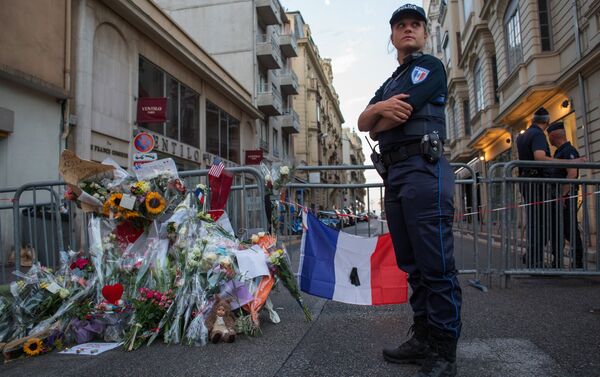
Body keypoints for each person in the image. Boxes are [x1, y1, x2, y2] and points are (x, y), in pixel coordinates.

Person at [357, 5, 461, 377]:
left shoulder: (430, 68)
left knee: (437, 266)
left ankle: (444, 349)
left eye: (415, 24)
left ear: (424, 33)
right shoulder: (389, 83)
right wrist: (381, 109)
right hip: (397, 175)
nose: (408, 29)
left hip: (423, 170)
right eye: (401, 25)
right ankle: (422, 338)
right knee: (412, 265)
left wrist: (378, 115)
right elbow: (364, 123)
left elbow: (391, 118)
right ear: (392, 35)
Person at [516, 107, 553, 268]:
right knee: (542, 222)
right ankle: (534, 258)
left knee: (535, 220)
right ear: (547, 121)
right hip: (536, 181)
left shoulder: (522, 136)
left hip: (526, 180)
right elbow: (539, 157)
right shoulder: (538, 134)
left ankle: (532, 255)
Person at [546, 122, 584, 268]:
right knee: (557, 229)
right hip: (559, 197)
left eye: (549, 136)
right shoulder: (559, 152)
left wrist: (563, 195)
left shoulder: (568, 150)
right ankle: (558, 260)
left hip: (565, 197)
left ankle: (578, 261)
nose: (548, 139)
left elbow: (572, 173)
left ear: (553, 136)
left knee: (569, 229)